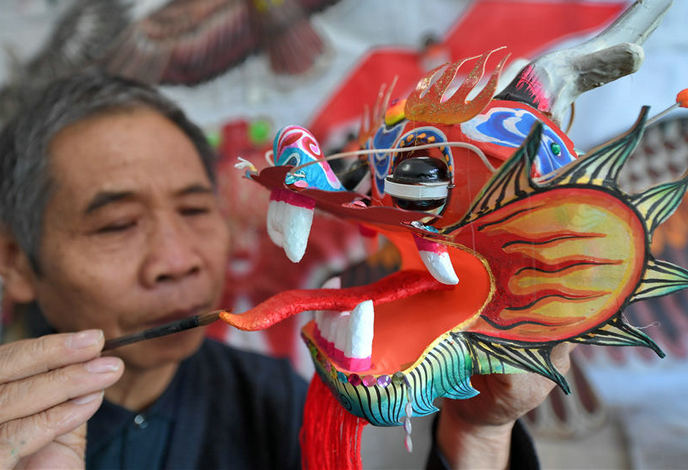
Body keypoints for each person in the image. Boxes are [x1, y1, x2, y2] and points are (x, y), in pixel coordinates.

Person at [0, 71, 572, 469]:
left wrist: (477, 432)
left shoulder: (271, 400)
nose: (177, 261)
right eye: (117, 225)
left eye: (195, 210)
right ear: (15, 262)